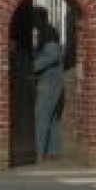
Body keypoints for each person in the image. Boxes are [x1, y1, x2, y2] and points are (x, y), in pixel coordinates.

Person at [33, 22, 64, 158]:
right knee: (51, 118)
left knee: (42, 116)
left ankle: (39, 151)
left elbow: (51, 57)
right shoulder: (46, 34)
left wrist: (31, 66)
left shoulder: (50, 38)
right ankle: (52, 151)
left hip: (50, 82)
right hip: (51, 82)